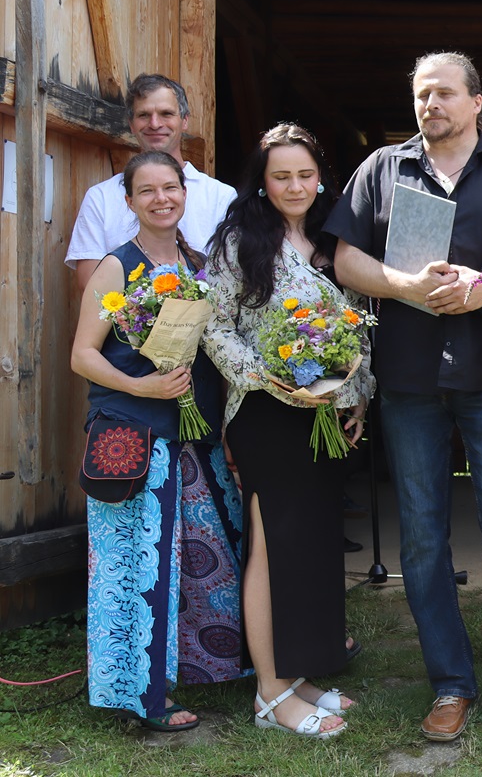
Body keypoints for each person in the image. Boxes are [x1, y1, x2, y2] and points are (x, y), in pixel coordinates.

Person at [326, 51, 482, 743]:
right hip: (410, 377)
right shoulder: (381, 169)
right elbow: (345, 258)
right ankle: (451, 684)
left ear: (476, 101)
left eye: (445, 93)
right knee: (424, 538)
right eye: (422, 95)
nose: (432, 104)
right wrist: (402, 285)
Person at [203, 124, 373, 739]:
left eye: (304, 174)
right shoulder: (239, 241)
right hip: (266, 411)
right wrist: (264, 378)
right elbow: (214, 326)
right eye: (281, 176)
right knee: (272, 546)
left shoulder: (336, 239)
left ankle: (297, 674)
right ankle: (270, 694)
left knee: (312, 547)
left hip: (326, 412)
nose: (295, 186)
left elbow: (359, 322)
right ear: (263, 182)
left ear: (320, 177)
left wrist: (357, 395)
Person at [70, 150, 245, 731]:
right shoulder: (116, 267)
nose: (161, 199)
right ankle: (139, 696)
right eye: (146, 191)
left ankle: (205, 665)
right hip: (133, 434)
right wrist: (140, 386)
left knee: (205, 554)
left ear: (184, 194)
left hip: (194, 435)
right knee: (135, 567)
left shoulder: (199, 265)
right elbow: (82, 355)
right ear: (129, 201)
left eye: (170, 188)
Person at [67, 74, 236, 293]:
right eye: (144, 115)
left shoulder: (221, 197)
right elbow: (92, 288)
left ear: (185, 120)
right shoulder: (101, 197)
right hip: (127, 315)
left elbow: (234, 279)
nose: (155, 124)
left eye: (166, 114)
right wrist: (147, 309)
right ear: (131, 124)